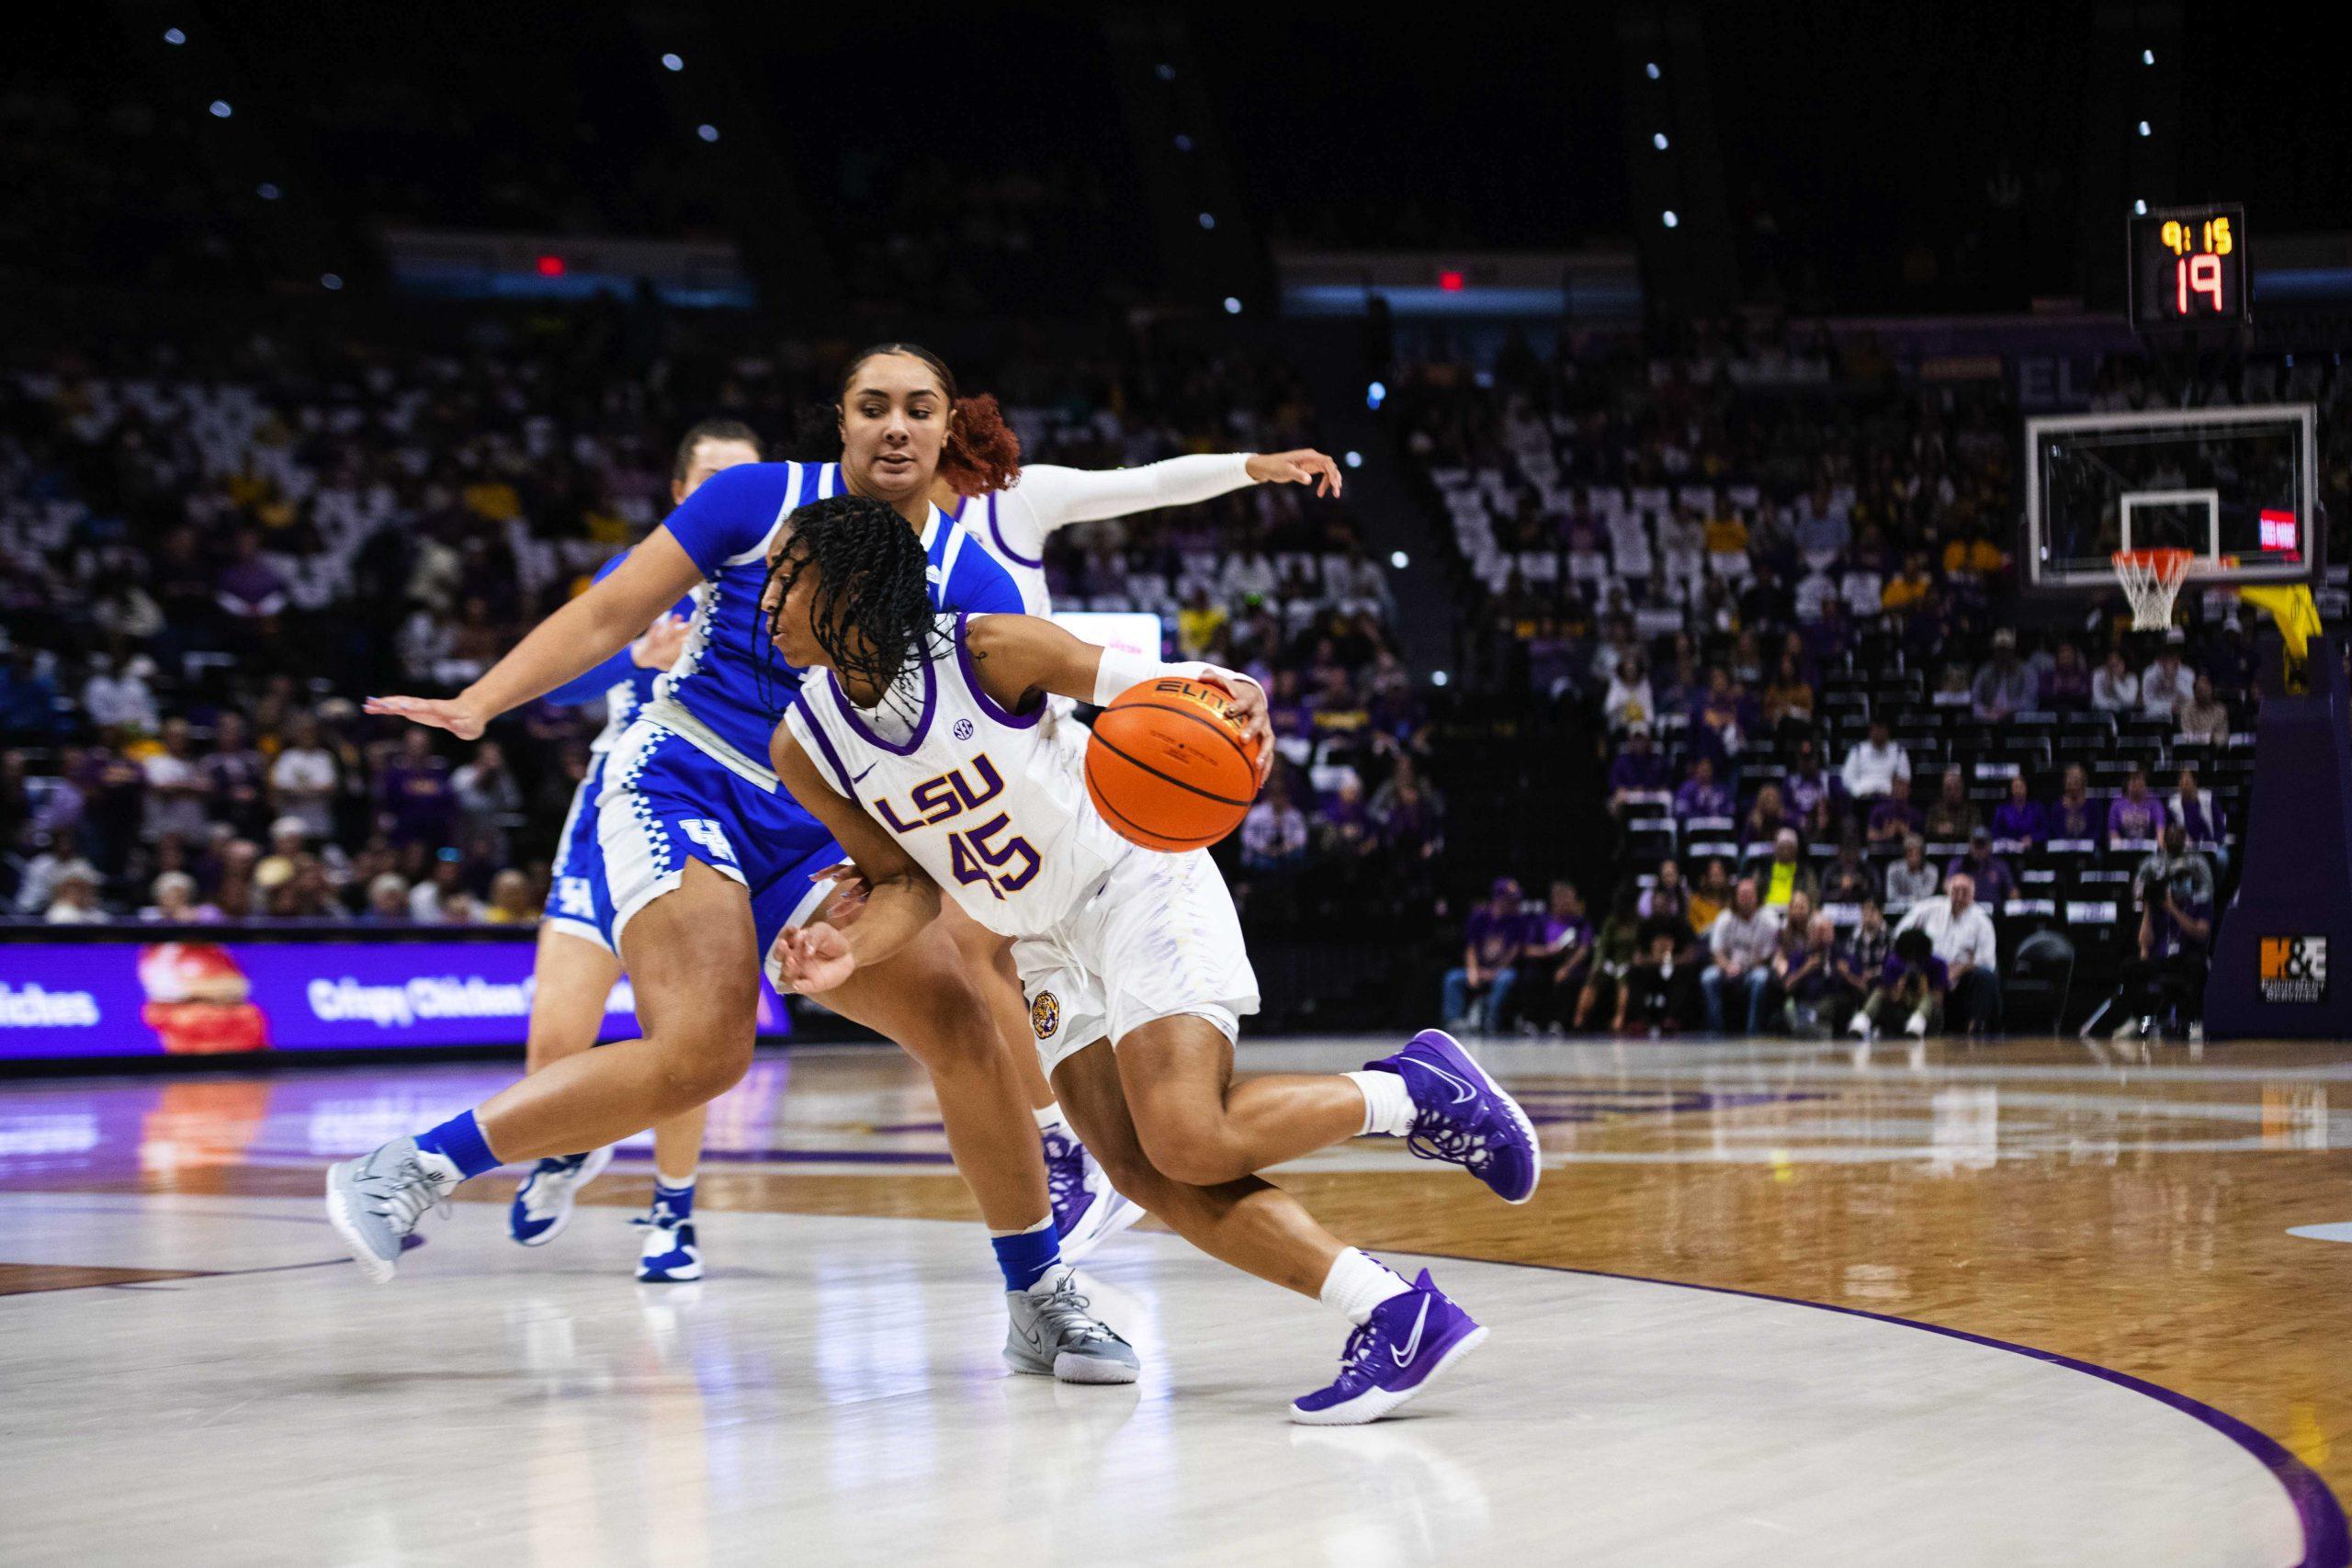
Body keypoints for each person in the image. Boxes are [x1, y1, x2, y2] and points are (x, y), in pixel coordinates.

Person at [335, 345, 1132, 1381]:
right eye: (873, 406)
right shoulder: (758, 501)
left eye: (918, 409)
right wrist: (484, 700)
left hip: (820, 823)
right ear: (840, 424)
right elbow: (611, 613)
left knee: (965, 1026)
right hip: (686, 779)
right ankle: (413, 1167)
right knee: (707, 1051)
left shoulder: (967, 577)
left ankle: (1037, 1297)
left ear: (947, 432)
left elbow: (980, 750)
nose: (896, 425)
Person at [764, 495, 1537, 1423]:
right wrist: (841, 952)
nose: (764, 596)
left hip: (1134, 880)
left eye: (784, 574)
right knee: (1138, 1168)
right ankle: (1395, 1314)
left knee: (1189, 1136)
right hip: (1043, 943)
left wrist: (1232, 688)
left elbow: (1163, 682)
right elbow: (907, 888)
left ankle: (1414, 1093)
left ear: (852, 585)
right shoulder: (803, 744)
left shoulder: (985, 651)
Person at [923, 399, 1340, 1247]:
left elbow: (1140, 484)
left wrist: (1249, 465)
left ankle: (1063, 1143)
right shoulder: (878, 545)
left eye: (919, 421)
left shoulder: (1018, 501)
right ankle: (1081, 1135)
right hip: (970, 774)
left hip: (1046, 756)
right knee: (982, 949)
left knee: (970, 944)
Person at [2114, 823, 2215, 1040]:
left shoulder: (2199, 902)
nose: (2180, 883)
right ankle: (2136, 1019)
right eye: (2176, 879)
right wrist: (2150, 905)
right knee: (2131, 967)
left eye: (2184, 878)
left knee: (2197, 967)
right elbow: (2145, 942)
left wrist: (2173, 909)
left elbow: (2201, 933)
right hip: (2162, 956)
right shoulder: (2159, 904)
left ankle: (2197, 1021)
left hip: (2188, 955)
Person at [1894, 872, 2000, 1033]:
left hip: (1961, 977)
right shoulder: (1929, 907)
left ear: (1972, 894)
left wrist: (1960, 968)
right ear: (1948, 890)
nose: (1959, 895)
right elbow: (1900, 934)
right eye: (1956, 890)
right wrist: (1916, 959)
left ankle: (1976, 1028)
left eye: (1965, 891)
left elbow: (1988, 962)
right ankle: (1901, 1026)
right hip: (1928, 971)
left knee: (1985, 977)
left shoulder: (1981, 920)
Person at [1442, 877, 1528, 1034]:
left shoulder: (1518, 921)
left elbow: (1513, 953)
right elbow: (1471, 948)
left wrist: (1495, 972)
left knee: (1507, 977)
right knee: (1452, 978)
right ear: (1500, 898)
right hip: (1479, 968)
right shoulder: (1479, 918)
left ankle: (1490, 1020)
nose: (1516, 904)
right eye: (1511, 900)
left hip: (1501, 970)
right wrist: (1473, 971)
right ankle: (1453, 1023)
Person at [1700, 878, 1781, 1033]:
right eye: (1742, 895)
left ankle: (1753, 1030)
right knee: (1708, 978)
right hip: (1728, 968)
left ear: (1757, 897)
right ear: (1735, 898)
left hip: (1754, 968)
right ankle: (1716, 1030)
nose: (1746, 899)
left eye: (1750, 895)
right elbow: (1716, 952)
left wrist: (1747, 968)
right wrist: (1728, 967)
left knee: (1760, 979)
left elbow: (1768, 956)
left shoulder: (1768, 921)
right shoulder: (1724, 918)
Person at [1514, 880, 1592, 1035]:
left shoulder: (1580, 923)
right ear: (1554, 900)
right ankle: (1531, 1022)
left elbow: (1584, 949)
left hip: (1569, 964)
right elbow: (1528, 949)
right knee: (1532, 976)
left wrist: (1566, 968)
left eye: (1569, 898)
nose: (1566, 902)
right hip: (1544, 962)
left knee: (1567, 980)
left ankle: (1558, 1023)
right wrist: (1547, 951)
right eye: (1561, 898)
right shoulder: (1541, 922)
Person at [1847, 926, 1950, 1040]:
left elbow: (1939, 999)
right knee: (1878, 992)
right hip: (1900, 1009)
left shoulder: (1938, 964)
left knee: (1928, 999)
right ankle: (1860, 1024)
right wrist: (1899, 990)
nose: (1912, 961)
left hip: (1928, 1015)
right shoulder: (1894, 962)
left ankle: (1916, 1027)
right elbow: (1890, 993)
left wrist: (1922, 990)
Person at [1575, 886, 1643, 1032]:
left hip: (1629, 964)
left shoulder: (1640, 921)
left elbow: (1641, 946)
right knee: (1595, 977)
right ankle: (1579, 1019)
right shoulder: (1612, 921)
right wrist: (1597, 966)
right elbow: (1602, 947)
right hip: (1611, 963)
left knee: (1623, 980)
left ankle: (1619, 1018)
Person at [1971, 628, 2037, 722]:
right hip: (1989, 720)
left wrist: (2007, 709)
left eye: (2006, 650)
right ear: (1994, 651)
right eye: (2000, 650)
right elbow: (1975, 700)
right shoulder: (1984, 671)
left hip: (2017, 721)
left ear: (2013, 650)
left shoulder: (2027, 671)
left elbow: (2029, 700)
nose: (2003, 654)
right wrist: (1985, 712)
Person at [1947, 827, 2017, 908]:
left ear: (1989, 846)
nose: (1979, 849)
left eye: (1982, 844)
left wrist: (2011, 906)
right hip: (1966, 910)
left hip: (1994, 913)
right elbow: (1947, 886)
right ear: (1970, 845)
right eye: (1977, 844)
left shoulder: (1999, 865)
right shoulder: (1958, 863)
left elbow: (2013, 892)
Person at [1753, 827, 1817, 909]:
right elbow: (1754, 890)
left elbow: (1813, 896)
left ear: (1796, 849)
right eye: (1782, 846)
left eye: (1789, 847)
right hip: (1766, 909)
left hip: (1794, 910)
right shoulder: (1764, 868)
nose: (1785, 851)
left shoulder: (1804, 871)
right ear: (1775, 847)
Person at [2107, 765, 2166, 843]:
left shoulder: (2154, 801)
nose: (2137, 783)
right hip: (2123, 848)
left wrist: (2160, 843)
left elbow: (2160, 825)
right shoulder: (2117, 802)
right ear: (2127, 783)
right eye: (2134, 780)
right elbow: (2113, 830)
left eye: (2140, 780)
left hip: (2148, 846)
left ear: (2145, 783)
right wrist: (2119, 848)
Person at [1922, 767, 1978, 841]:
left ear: (1962, 789)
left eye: (1956, 788)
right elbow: (1927, 830)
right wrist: (1938, 830)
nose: (1952, 793)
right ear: (1943, 790)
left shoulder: (1971, 809)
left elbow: (1976, 831)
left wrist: (1953, 830)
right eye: (1948, 789)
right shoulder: (1934, 809)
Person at [1867, 774, 1924, 849]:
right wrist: (1885, 835)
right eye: (1896, 785)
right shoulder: (1878, 811)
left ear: (1909, 790)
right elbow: (1870, 836)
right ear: (1891, 789)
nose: (1899, 789)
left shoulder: (1916, 815)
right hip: (1883, 851)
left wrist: (1907, 835)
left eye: (1902, 786)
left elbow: (1923, 841)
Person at [1989, 775, 2045, 848]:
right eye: (2016, 787)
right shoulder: (2002, 809)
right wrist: (2010, 842)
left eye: (2021, 787)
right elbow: (1995, 834)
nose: (2018, 790)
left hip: (2034, 849)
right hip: (2009, 850)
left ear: (2026, 789)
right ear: (2011, 790)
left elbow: (2045, 830)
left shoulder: (2037, 807)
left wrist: (2033, 838)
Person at [1885, 835, 1939, 907]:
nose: (1914, 856)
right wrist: (1911, 901)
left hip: (1923, 910)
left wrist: (1916, 872)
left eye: (1917, 853)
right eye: (1910, 852)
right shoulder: (1894, 869)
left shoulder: (1932, 870)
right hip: (1898, 911)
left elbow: (1927, 897)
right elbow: (1891, 896)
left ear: (1922, 854)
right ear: (1904, 853)